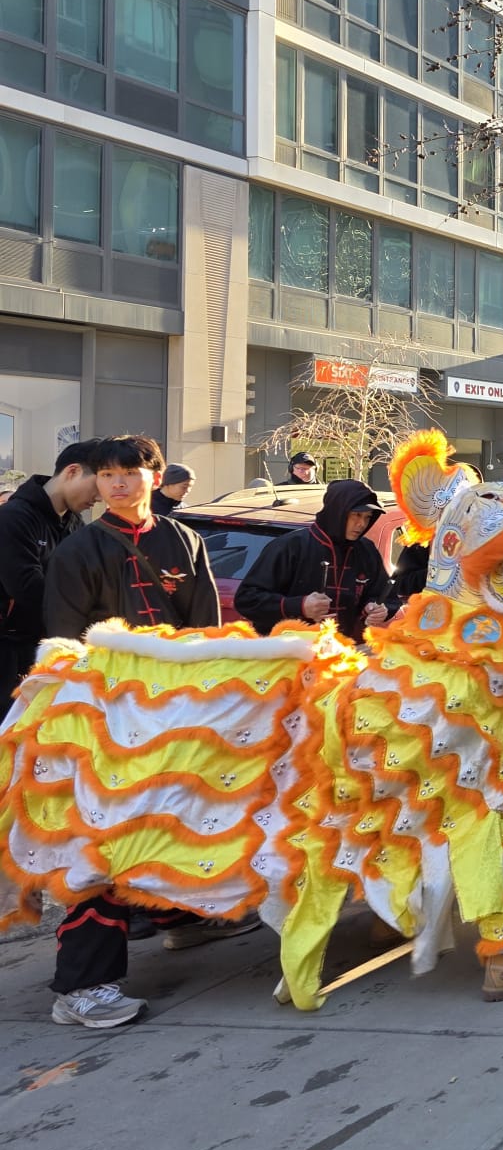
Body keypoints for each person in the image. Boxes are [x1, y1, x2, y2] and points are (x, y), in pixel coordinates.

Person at [42, 435, 251, 1028]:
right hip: (106, 722)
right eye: (107, 475)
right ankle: (81, 988)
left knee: (179, 823)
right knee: (102, 848)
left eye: (130, 473)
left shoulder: (183, 540)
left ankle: (178, 918)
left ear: (154, 479)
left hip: (177, 716)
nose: (117, 484)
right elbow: (64, 645)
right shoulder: (79, 550)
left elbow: (205, 631)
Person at [233, 480, 394, 645]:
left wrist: (375, 608)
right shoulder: (290, 546)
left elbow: (386, 596)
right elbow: (246, 599)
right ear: (337, 512)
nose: (362, 524)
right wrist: (299, 606)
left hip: (344, 655)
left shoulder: (366, 551)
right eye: (356, 515)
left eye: (367, 517)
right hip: (288, 654)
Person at [0, 439, 100, 702]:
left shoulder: (74, 523)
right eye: (96, 486)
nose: (99, 497)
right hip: (9, 650)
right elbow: (27, 587)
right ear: (72, 472)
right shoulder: (14, 517)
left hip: (49, 647)